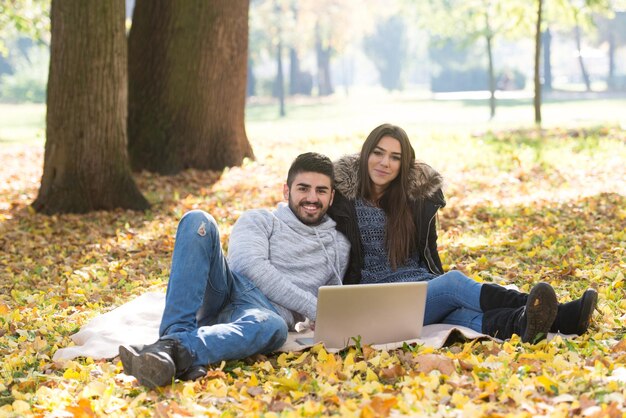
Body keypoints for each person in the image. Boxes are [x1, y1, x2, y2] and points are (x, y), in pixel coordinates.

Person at [328, 123, 597, 342]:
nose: (384, 162)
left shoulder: (413, 200)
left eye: (395, 157)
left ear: (404, 164)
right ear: (365, 154)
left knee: (460, 313)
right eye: (378, 153)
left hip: (419, 288)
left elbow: (428, 254)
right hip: (380, 301)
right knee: (454, 284)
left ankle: (524, 323)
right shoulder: (341, 201)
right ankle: (559, 314)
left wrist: (435, 283)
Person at [119, 152, 350, 388]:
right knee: (197, 220)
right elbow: (247, 265)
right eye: (303, 188)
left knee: (274, 329)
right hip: (226, 287)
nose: (312, 197)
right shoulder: (260, 219)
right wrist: (312, 307)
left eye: (321, 191)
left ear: (331, 197)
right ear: (286, 191)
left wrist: (322, 315)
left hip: (266, 313)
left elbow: (328, 301)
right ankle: (177, 343)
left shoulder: (338, 246)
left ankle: (169, 350)